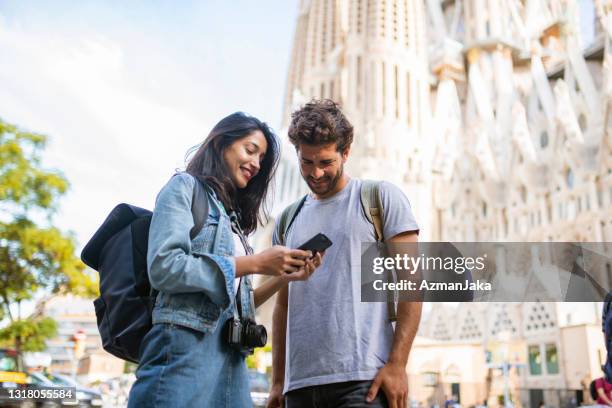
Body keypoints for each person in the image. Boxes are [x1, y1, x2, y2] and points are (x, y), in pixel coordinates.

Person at [128, 112, 323, 407]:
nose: (256, 164)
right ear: (221, 144)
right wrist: (256, 262)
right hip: (183, 349)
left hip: (231, 356)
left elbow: (238, 303)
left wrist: (284, 276)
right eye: (250, 150)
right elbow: (164, 267)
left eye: (262, 159)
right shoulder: (184, 188)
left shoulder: (232, 220)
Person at [267, 99, 422, 408]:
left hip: (363, 381)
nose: (316, 172)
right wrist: (277, 382)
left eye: (325, 162)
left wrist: (398, 364)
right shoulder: (288, 219)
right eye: (307, 162)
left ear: (345, 153)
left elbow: (413, 282)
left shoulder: (379, 198)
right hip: (299, 387)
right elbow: (283, 306)